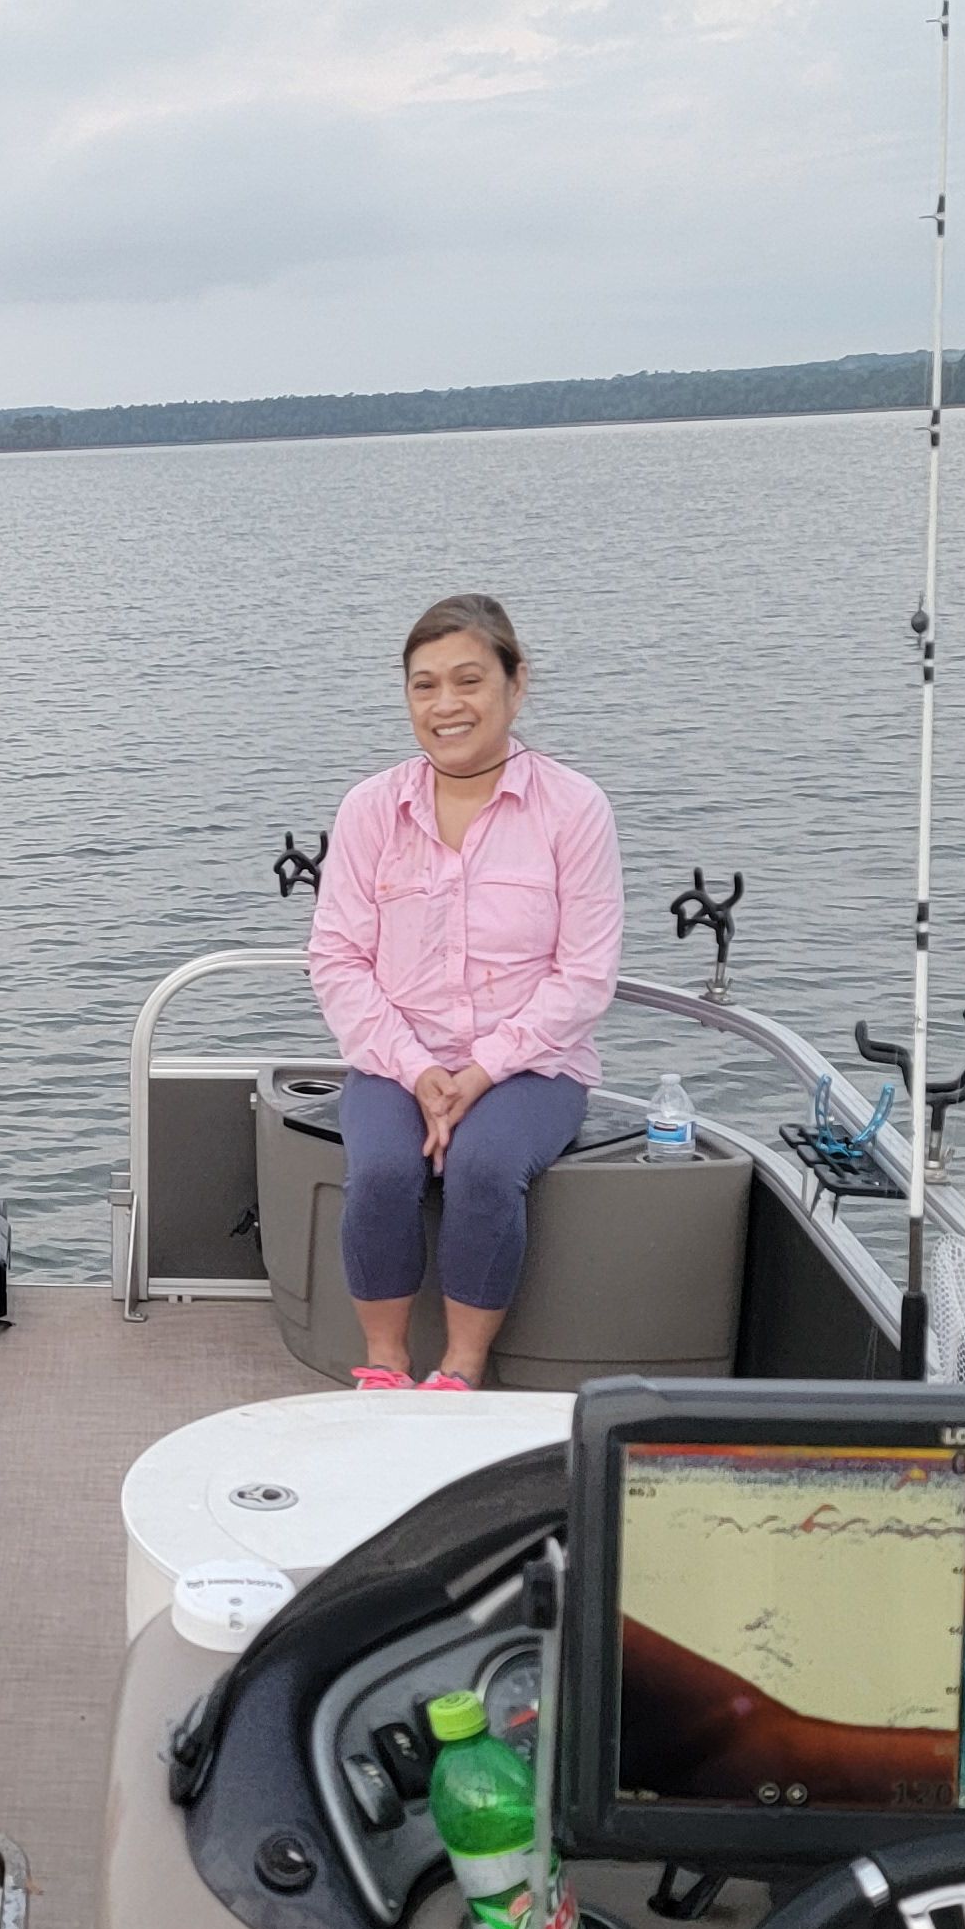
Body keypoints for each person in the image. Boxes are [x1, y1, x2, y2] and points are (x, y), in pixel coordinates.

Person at [304, 590, 621, 1391]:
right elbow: (337, 958)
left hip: (533, 1065)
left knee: (483, 1166)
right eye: (424, 685)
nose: (446, 704)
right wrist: (417, 1071)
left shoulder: (574, 809)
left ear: (518, 685)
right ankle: (384, 1365)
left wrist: (481, 1070)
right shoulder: (371, 809)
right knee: (380, 1168)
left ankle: (460, 1370)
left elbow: (584, 975)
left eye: (469, 680)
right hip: (395, 1057)